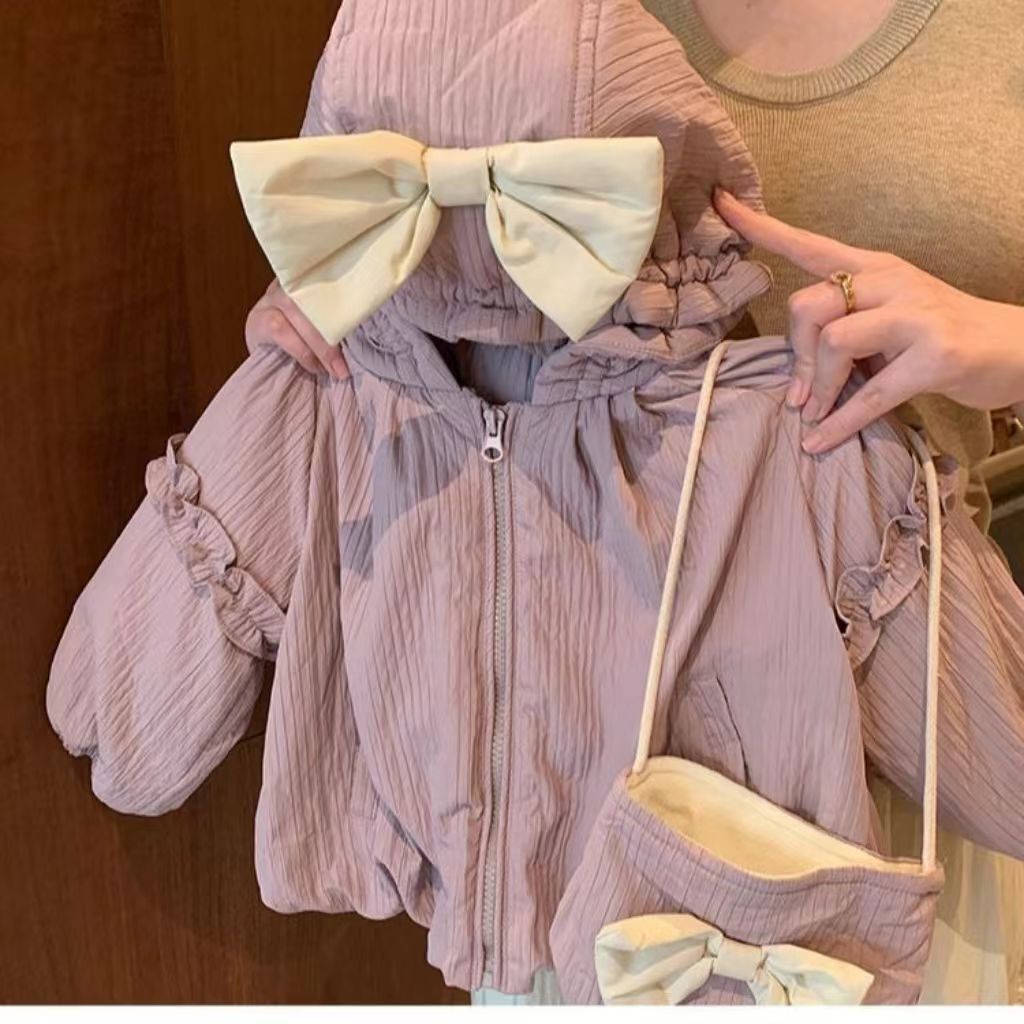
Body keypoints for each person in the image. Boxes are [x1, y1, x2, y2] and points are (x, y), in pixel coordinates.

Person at [245, 0, 1024, 1005]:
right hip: (569, 807)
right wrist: (328, 299)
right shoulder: (536, 15)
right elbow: (402, 243)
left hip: (902, 731)